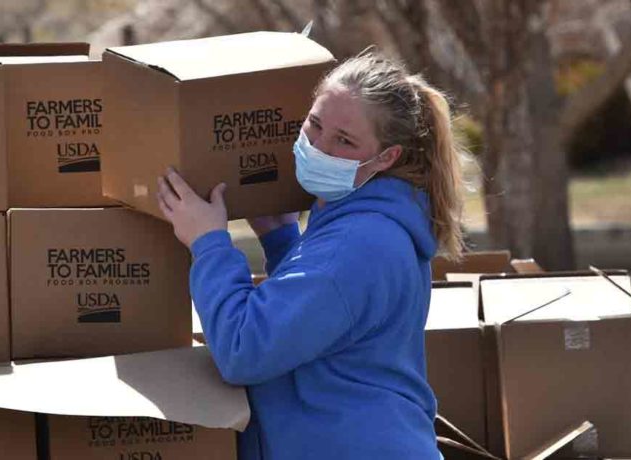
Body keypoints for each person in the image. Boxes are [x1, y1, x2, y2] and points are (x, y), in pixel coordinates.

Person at [156, 50, 466, 460]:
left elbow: (245, 350)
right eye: (314, 125)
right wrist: (283, 241)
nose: (318, 147)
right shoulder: (370, 222)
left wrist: (208, 243)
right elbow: (329, 322)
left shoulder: (357, 242)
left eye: (344, 141)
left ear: (386, 157)